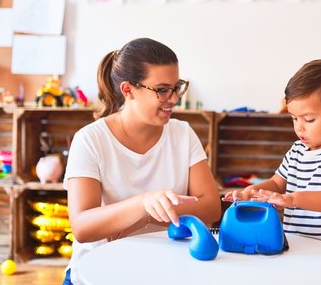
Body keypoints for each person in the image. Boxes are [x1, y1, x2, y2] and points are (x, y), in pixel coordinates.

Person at [63, 38, 221, 284]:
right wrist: (143, 204)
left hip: (163, 269)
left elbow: (211, 207)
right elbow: (83, 227)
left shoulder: (183, 134)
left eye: (176, 87)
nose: (174, 98)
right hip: (97, 271)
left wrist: (148, 216)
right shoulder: (89, 140)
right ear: (128, 90)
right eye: (162, 90)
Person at [223, 59, 321, 259]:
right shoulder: (297, 150)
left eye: (309, 119)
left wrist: (293, 199)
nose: (299, 127)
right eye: (294, 118)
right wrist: (250, 193)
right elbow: (277, 182)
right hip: (302, 250)